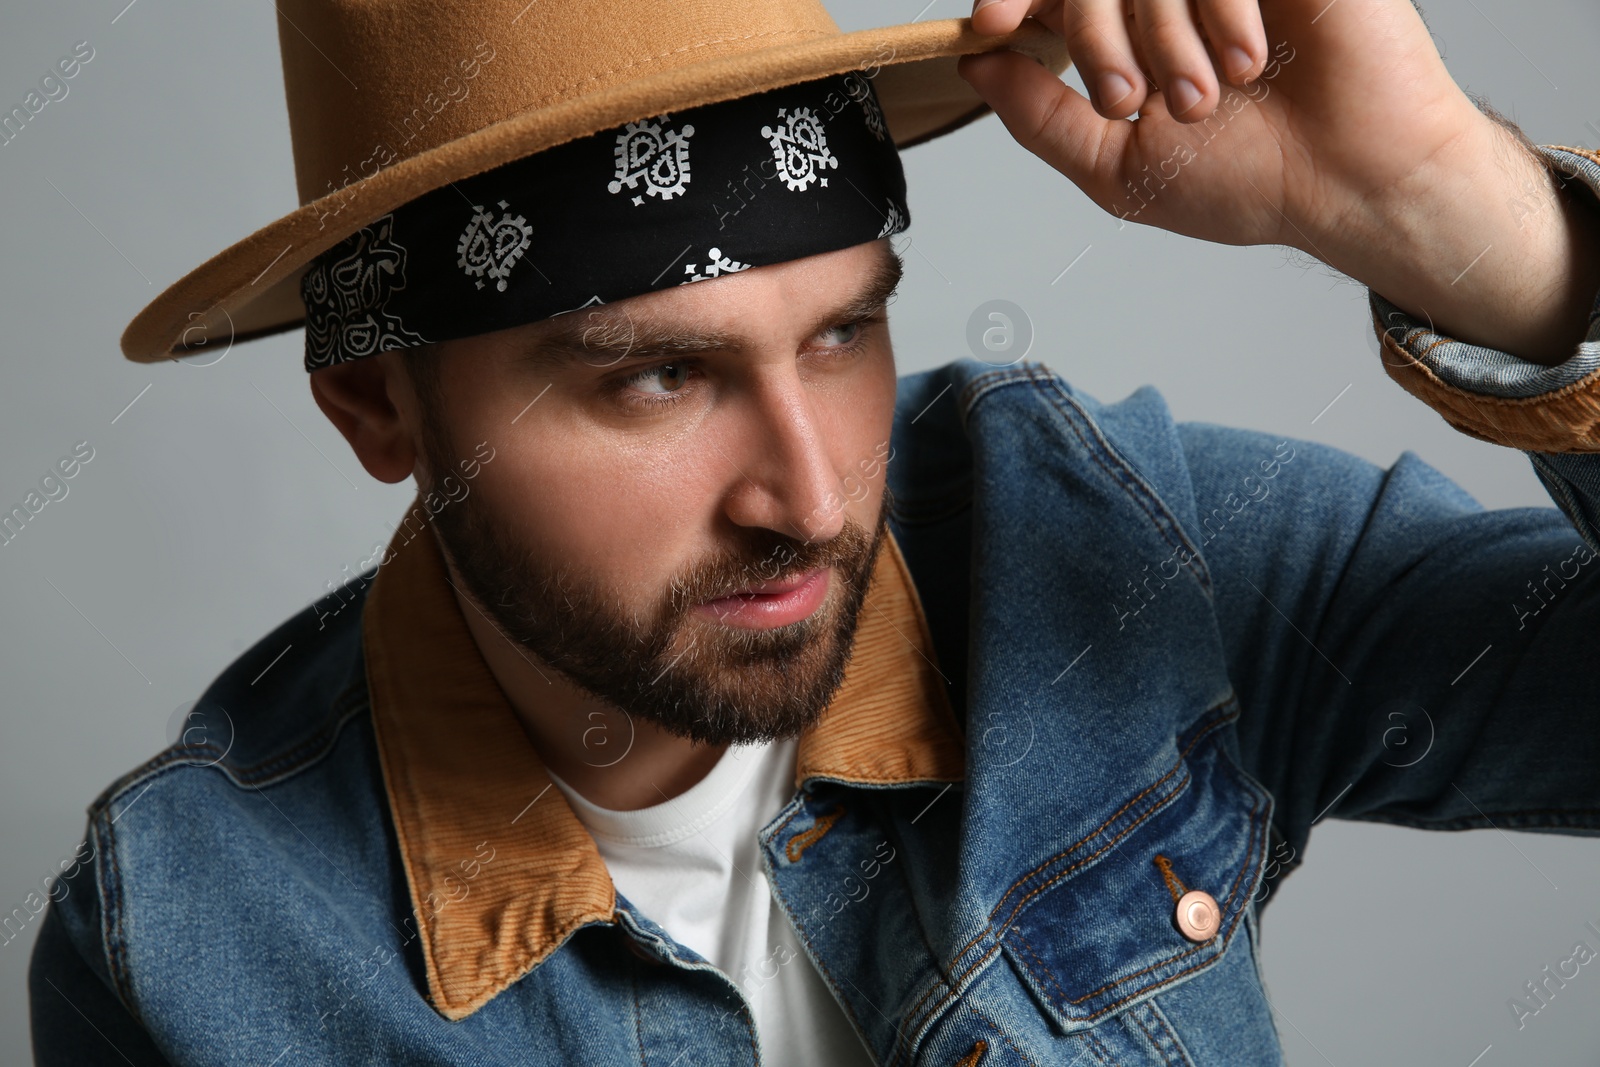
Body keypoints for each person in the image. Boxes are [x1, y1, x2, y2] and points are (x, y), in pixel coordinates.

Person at [29, 0, 1600, 1062]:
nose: (811, 495)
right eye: (656, 377)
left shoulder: (1111, 542)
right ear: (380, 405)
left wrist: (1473, 229)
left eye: (844, 336)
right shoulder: (184, 938)